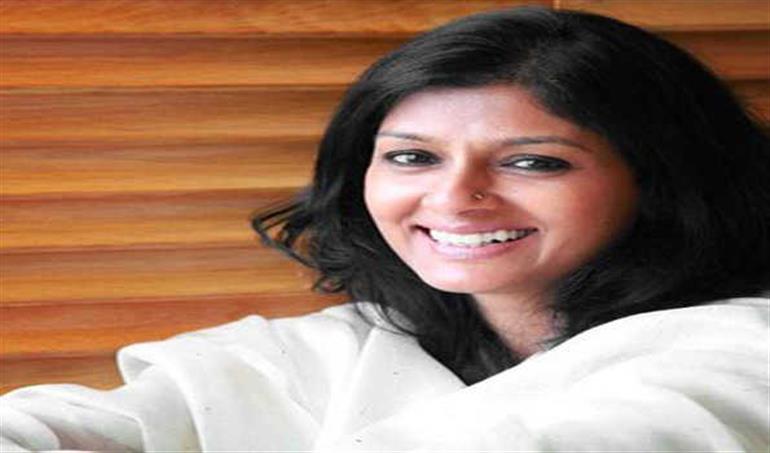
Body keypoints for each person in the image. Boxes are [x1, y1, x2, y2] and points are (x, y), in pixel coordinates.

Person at [1, 6, 768, 452]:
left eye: (533, 162)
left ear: (660, 179)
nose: (456, 197)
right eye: (412, 156)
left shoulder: (742, 350)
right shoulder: (326, 349)